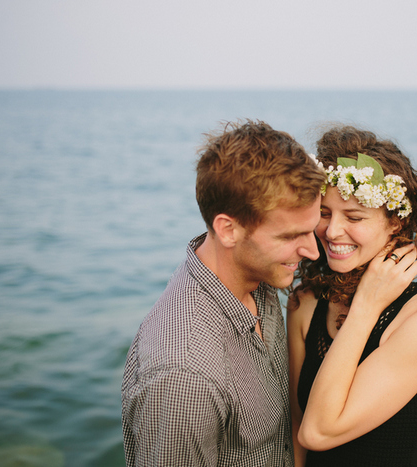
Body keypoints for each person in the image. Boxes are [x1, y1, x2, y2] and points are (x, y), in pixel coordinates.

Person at [121, 120, 326, 466]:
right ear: (228, 229)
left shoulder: (255, 277)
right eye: (291, 237)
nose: (313, 251)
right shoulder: (185, 377)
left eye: (312, 229)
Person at [288, 125, 417, 467]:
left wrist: (366, 306)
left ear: (395, 223)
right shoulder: (305, 303)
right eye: (324, 212)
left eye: (354, 216)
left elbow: (318, 431)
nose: (333, 230)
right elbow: (296, 430)